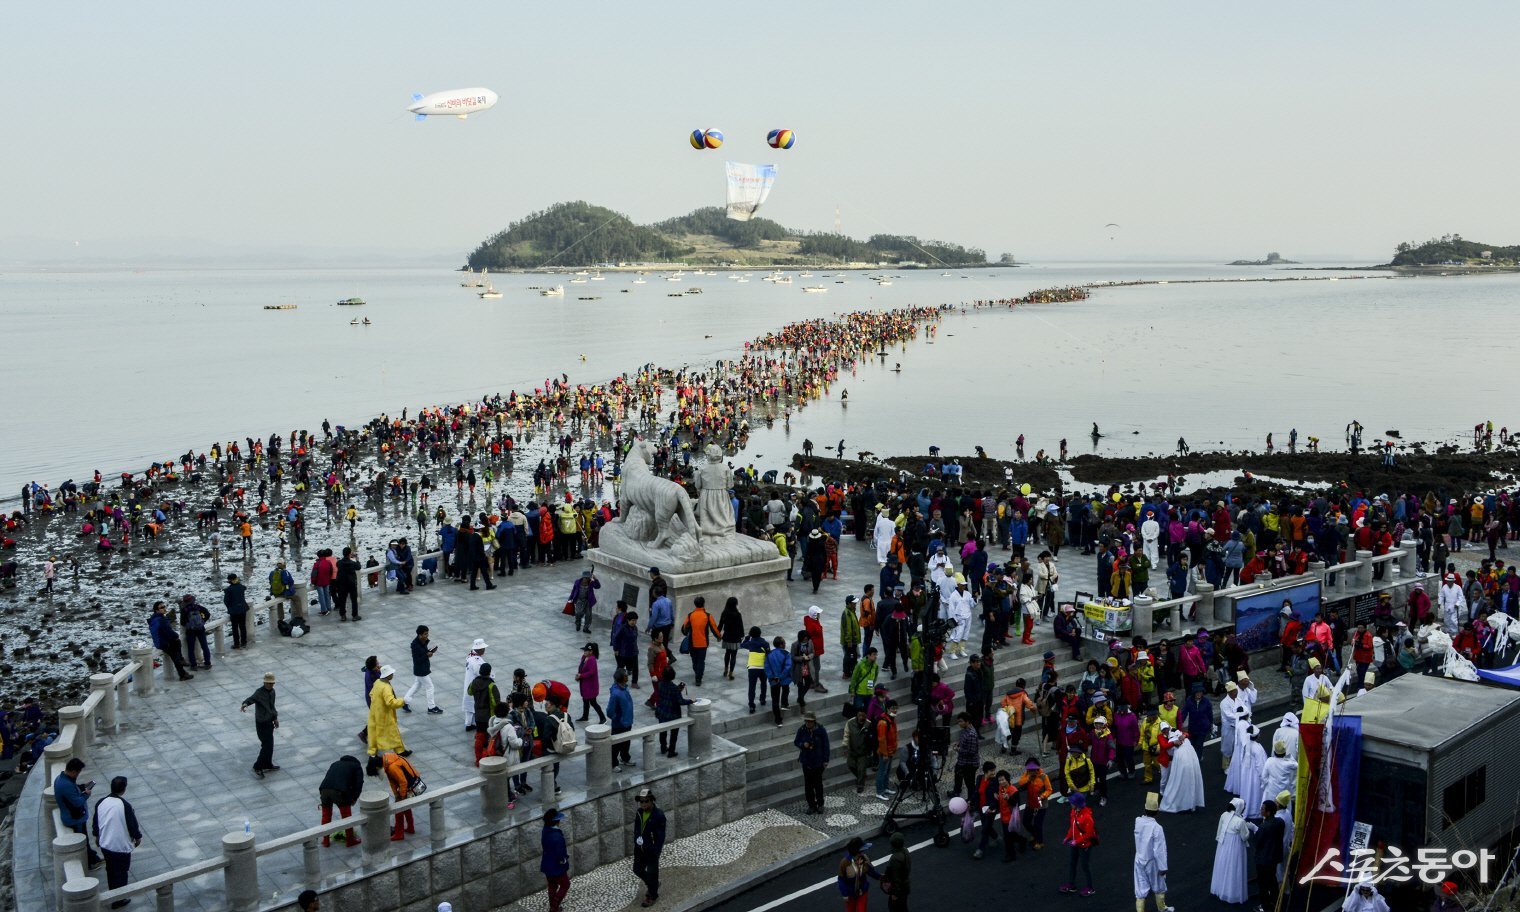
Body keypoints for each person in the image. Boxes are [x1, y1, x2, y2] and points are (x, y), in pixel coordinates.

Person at [92, 776, 141, 909]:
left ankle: (113, 894)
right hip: (119, 846)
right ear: (124, 789)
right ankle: (119, 899)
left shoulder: (101, 802)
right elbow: (132, 825)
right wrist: (138, 837)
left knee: (111, 870)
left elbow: (96, 821)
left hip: (105, 844)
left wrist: (97, 836)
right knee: (121, 872)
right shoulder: (125, 805)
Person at [55, 758, 101, 866]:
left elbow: (73, 791)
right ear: (73, 771)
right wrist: (86, 794)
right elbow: (77, 803)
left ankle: (93, 858)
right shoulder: (65, 785)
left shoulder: (61, 779)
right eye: (78, 772)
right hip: (75, 819)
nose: (78, 775)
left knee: (85, 841)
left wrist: (82, 786)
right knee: (83, 842)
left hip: (72, 816)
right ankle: (91, 862)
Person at [1210, 797, 1255, 904]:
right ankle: (1232, 892)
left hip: (1223, 845)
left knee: (1222, 865)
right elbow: (1245, 837)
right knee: (1234, 867)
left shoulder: (1223, 815)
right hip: (1235, 847)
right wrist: (1250, 827)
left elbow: (1219, 830)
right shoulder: (1240, 821)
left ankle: (1220, 889)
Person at [1133, 792, 1172, 912]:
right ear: (1157, 811)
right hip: (1152, 862)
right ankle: (1162, 908)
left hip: (1139, 859)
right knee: (1159, 886)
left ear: (1145, 808)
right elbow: (1159, 850)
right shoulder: (1157, 828)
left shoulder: (1138, 821)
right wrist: (1163, 867)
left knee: (1140, 888)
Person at [318, 755, 364, 847]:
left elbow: (328, 777)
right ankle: (350, 840)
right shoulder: (357, 767)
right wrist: (354, 798)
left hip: (324, 789)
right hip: (339, 792)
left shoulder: (335, 764)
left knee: (326, 816)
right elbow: (358, 784)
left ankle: (326, 840)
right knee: (346, 817)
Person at [240, 673, 280, 778]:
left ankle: (267, 764)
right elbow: (251, 699)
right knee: (266, 745)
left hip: (269, 722)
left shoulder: (272, 692)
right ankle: (257, 766)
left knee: (270, 746)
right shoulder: (259, 693)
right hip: (261, 723)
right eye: (268, 683)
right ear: (264, 682)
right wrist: (245, 704)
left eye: (272, 683)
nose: (270, 685)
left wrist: (275, 718)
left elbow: (272, 706)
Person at [632, 787, 666, 907]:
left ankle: (652, 895)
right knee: (637, 869)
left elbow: (660, 837)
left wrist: (655, 851)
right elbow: (637, 829)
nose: (643, 803)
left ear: (652, 800)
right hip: (639, 849)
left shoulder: (658, 815)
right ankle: (654, 884)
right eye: (641, 801)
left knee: (652, 873)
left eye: (646, 801)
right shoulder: (639, 812)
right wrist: (636, 842)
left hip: (651, 851)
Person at [1059, 791, 1097, 897]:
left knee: (1085, 866)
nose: (1070, 804)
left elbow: (1089, 834)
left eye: (1072, 802)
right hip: (1075, 843)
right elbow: (1073, 827)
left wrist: (1077, 841)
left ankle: (1090, 887)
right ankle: (1071, 884)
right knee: (1072, 863)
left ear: (1077, 804)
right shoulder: (1074, 812)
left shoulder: (1087, 817)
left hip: (1084, 845)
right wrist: (1068, 837)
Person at [367, 665, 409, 759]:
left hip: (374, 712)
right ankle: (400, 751)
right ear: (388, 675)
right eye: (391, 673)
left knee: (373, 732)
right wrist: (403, 701)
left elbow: (371, 694)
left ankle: (372, 753)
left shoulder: (377, 682)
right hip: (385, 715)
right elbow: (390, 702)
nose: (393, 675)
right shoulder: (386, 687)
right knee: (393, 732)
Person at [1252, 799, 1287, 911]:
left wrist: (1255, 830)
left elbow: (1257, 842)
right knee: (1272, 880)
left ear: (1268, 812)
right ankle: (1276, 902)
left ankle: (1265, 906)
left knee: (1263, 885)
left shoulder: (1264, 827)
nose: (1260, 810)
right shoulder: (1280, 822)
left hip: (1263, 860)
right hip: (1274, 857)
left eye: (1262, 809)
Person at [795, 711, 831, 815]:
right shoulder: (801, 730)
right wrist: (803, 744)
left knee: (818, 784)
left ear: (814, 721)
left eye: (810, 721)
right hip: (806, 761)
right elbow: (796, 742)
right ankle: (811, 805)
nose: (808, 723)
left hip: (818, 762)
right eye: (806, 721)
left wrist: (826, 760)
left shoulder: (821, 730)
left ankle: (820, 804)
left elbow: (826, 745)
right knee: (808, 785)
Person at [148, 601, 194, 680]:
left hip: (159, 642)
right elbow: (168, 632)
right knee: (175, 654)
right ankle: (182, 673)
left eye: (164, 606)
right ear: (157, 610)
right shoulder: (161, 620)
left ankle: (182, 666)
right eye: (161, 607)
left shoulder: (154, 619)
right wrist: (176, 636)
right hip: (164, 643)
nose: (164, 608)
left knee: (176, 646)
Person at [682, 597, 719, 686]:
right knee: (701, 661)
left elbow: (684, 629)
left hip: (692, 642)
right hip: (703, 643)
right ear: (703, 603)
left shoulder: (690, 615)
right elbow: (714, 627)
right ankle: (698, 677)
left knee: (694, 660)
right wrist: (718, 637)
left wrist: (686, 632)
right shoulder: (707, 615)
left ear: (695, 604)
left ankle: (697, 672)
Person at [404, 625, 441, 715]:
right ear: (419, 635)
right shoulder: (415, 645)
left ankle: (405, 701)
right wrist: (427, 655)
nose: (427, 635)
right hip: (421, 670)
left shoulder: (422, 641)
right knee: (430, 687)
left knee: (417, 685)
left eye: (427, 633)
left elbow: (423, 653)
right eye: (425, 634)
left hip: (422, 669)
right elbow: (417, 660)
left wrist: (430, 651)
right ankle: (431, 707)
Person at [468, 664, 502, 762]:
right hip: (489, 716)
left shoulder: (474, 682)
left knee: (479, 737)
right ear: (489, 672)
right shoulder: (491, 685)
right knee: (490, 738)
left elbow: (469, 692)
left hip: (478, 715)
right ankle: (488, 758)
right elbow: (496, 703)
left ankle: (478, 759)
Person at [837, 836, 879, 912]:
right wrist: (845, 894)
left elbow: (870, 871)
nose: (863, 852)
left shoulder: (864, 858)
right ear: (857, 852)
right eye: (861, 851)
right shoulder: (845, 863)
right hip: (850, 894)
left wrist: (881, 877)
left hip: (862, 891)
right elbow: (841, 879)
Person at [541, 808, 570, 912]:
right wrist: (564, 860)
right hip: (557, 866)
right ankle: (554, 907)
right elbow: (560, 854)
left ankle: (553, 906)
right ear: (556, 822)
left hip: (547, 864)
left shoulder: (545, 830)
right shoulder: (557, 836)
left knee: (552, 884)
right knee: (565, 884)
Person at [608, 669, 634, 770]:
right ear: (622, 678)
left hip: (628, 721)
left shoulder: (625, 688)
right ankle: (613, 763)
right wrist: (616, 718)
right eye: (626, 675)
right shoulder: (616, 694)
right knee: (616, 745)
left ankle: (625, 758)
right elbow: (610, 711)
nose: (627, 677)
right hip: (619, 723)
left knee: (626, 742)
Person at [461, 638, 489, 732]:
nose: (484, 650)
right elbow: (480, 672)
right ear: (480, 649)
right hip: (476, 685)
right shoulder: (477, 661)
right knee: (475, 704)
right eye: (483, 648)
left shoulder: (470, 656)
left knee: (469, 704)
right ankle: (473, 723)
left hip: (469, 683)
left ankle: (469, 723)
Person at [179, 594, 212, 670]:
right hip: (200, 629)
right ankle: (207, 663)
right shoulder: (198, 607)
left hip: (190, 631)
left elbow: (182, 622)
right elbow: (207, 614)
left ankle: (194, 665)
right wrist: (203, 621)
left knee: (191, 648)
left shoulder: (184, 610)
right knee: (204, 646)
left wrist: (188, 624)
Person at [875, 701, 899, 800]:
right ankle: (879, 791)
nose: (895, 710)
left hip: (890, 751)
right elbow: (882, 739)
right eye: (893, 708)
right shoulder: (883, 722)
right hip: (885, 752)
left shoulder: (891, 720)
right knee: (882, 772)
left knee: (887, 771)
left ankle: (885, 788)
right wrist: (884, 754)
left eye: (896, 708)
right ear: (888, 709)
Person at [883, 831, 911, 912]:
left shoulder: (895, 858)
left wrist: (895, 893)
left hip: (899, 889)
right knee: (903, 907)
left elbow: (896, 877)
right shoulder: (905, 851)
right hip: (905, 886)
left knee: (894, 908)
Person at [568, 569, 599, 633]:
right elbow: (573, 590)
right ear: (583, 577)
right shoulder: (577, 582)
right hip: (579, 599)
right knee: (578, 613)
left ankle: (586, 628)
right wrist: (571, 597)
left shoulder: (591, 583)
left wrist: (595, 579)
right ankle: (578, 624)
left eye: (588, 578)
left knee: (588, 615)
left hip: (588, 600)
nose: (586, 579)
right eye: (585, 578)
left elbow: (598, 586)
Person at [223, 573, 250, 649]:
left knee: (235, 628)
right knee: (242, 627)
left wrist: (230, 607)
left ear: (230, 580)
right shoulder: (241, 587)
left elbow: (226, 601)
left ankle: (237, 644)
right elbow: (244, 587)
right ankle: (244, 642)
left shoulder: (229, 590)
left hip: (234, 612)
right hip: (242, 610)